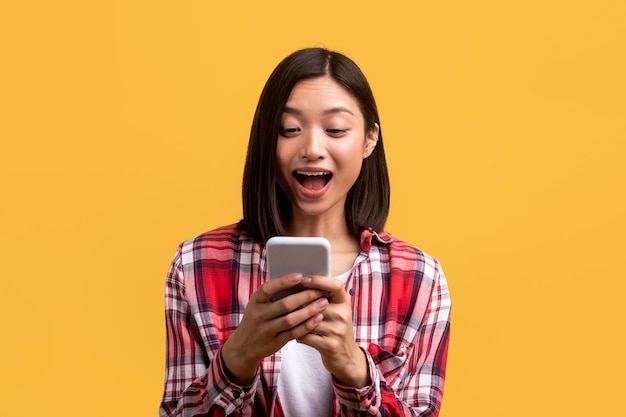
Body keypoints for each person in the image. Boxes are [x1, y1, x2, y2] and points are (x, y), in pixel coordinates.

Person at [160, 47, 451, 417]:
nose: (312, 149)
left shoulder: (420, 280)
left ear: (368, 140)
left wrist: (355, 370)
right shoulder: (195, 267)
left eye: (335, 130)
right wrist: (237, 357)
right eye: (290, 130)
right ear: (269, 140)